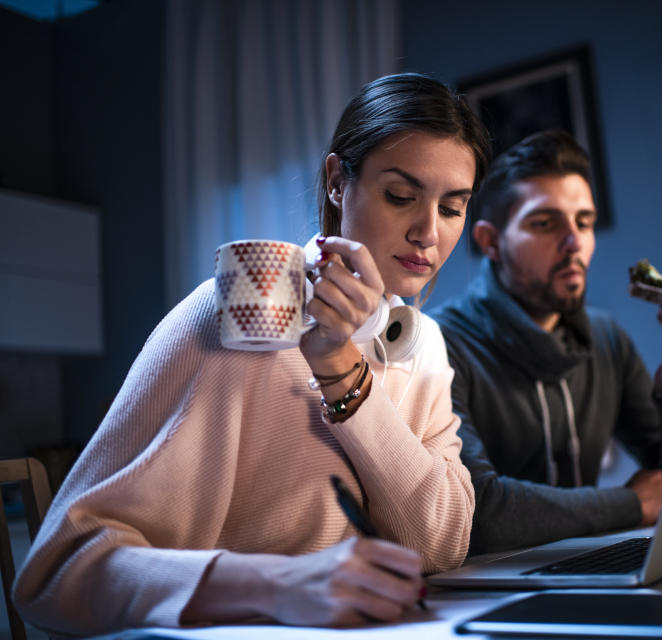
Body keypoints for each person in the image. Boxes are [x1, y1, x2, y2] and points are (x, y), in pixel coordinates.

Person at [13, 73, 491, 635]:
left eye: (453, 208)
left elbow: (442, 545)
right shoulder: (244, 309)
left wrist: (345, 376)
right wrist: (275, 585)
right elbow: (56, 573)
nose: (428, 233)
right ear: (338, 182)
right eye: (401, 197)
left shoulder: (423, 343)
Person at [430, 130, 662, 555]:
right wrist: (629, 504)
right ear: (491, 241)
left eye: (584, 222)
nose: (574, 242)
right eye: (544, 223)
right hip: (479, 585)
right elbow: (478, 510)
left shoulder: (606, 339)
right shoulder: (438, 344)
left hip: (580, 563)